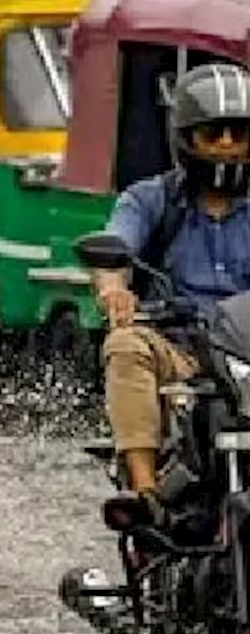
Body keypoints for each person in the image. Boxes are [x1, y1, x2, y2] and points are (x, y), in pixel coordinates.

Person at [94, 62, 250, 524]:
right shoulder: (150, 200)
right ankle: (145, 495)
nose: (226, 145)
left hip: (248, 355)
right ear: (185, 138)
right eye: (212, 134)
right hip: (181, 350)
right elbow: (114, 251)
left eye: (238, 133)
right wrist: (113, 290)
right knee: (125, 345)